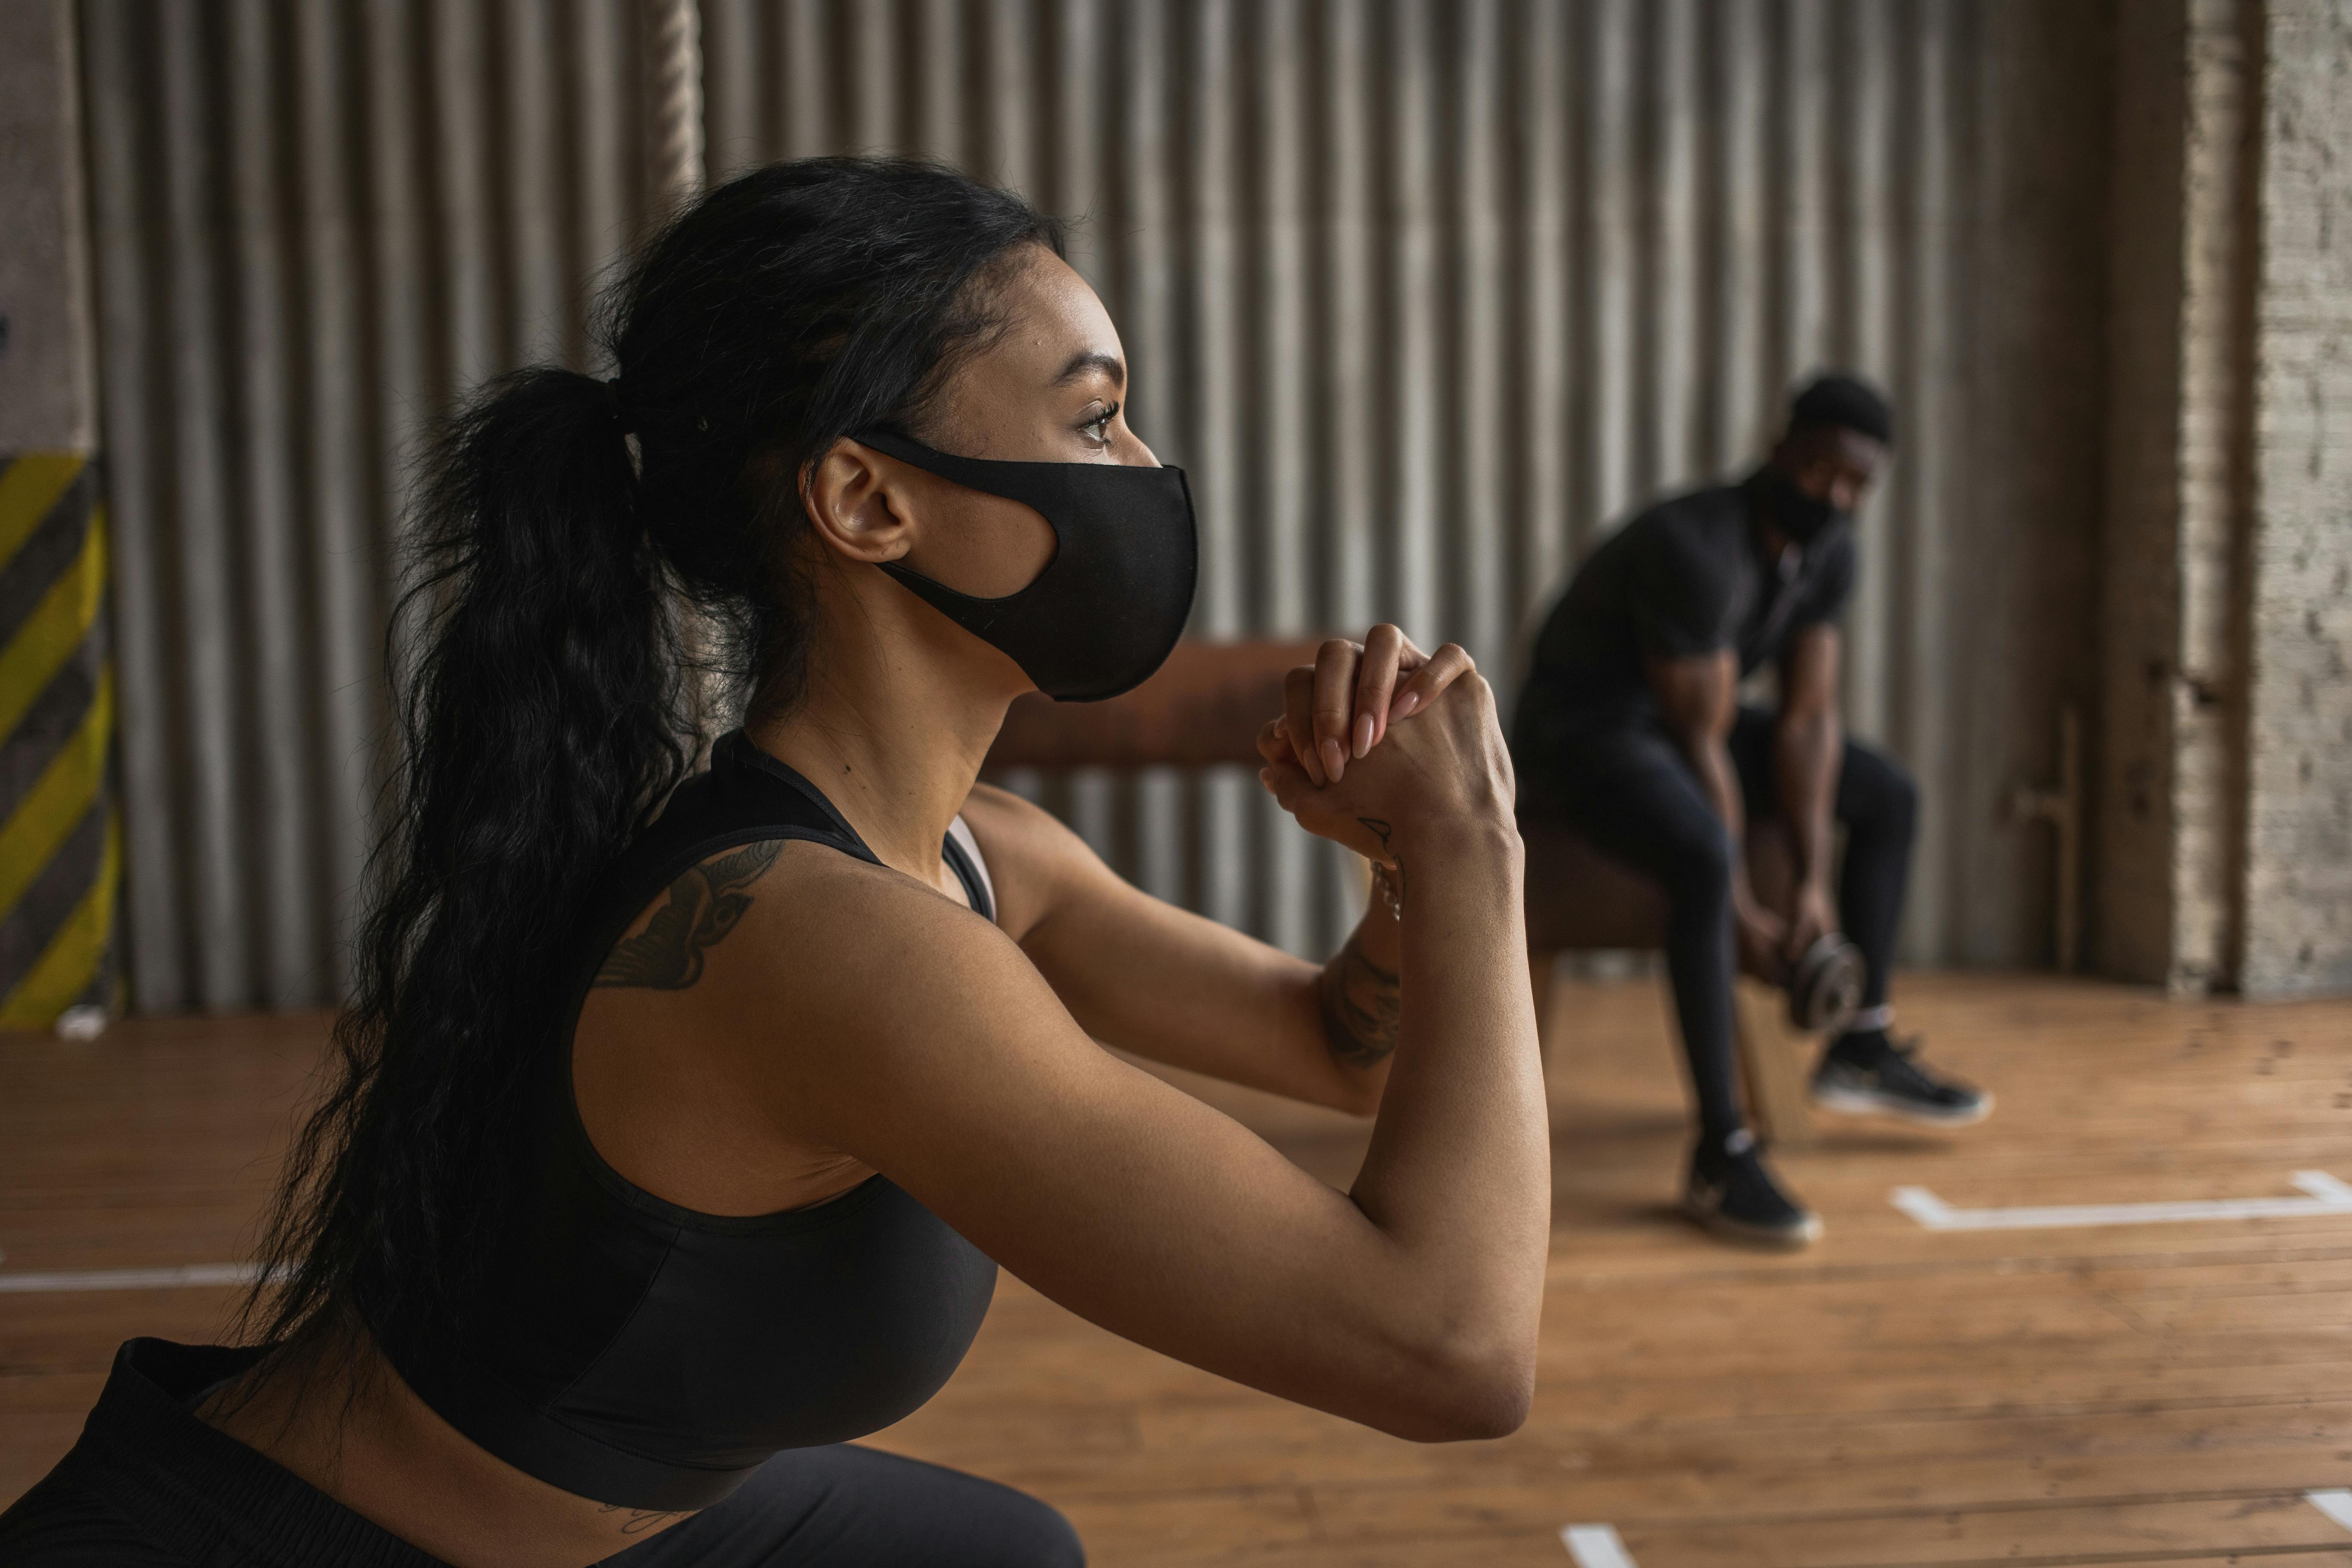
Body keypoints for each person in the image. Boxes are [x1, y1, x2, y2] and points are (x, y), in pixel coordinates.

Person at [0, 159, 1547, 1567]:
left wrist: (1407, 872)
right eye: (1093, 418)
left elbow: (1333, 1046)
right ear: (868, 499)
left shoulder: (971, 853)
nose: (1144, 470)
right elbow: (1449, 1347)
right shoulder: (820, 945)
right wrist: (1477, 840)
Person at [1513, 374, 1988, 1250]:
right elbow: (1706, 741)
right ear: (1781, 452)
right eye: (1820, 474)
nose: (1835, 497)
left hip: (1683, 726)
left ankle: (1861, 1042)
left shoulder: (1830, 550)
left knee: (1887, 795)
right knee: (1700, 852)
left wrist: (1812, 886)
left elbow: (1807, 721)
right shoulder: (1695, 549)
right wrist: (1738, 909)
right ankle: (1721, 1151)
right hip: (1583, 733)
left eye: (1855, 486)